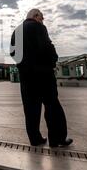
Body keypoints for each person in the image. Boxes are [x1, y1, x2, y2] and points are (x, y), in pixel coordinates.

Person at [10, 9, 73, 148]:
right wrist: (52, 61)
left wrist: (23, 66)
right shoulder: (39, 27)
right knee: (52, 106)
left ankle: (35, 139)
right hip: (43, 74)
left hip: (26, 77)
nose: (42, 20)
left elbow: (13, 53)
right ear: (36, 16)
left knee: (30, 108)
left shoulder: (16, 31)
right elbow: (48, 48)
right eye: (42, 18)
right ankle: (57, 139)